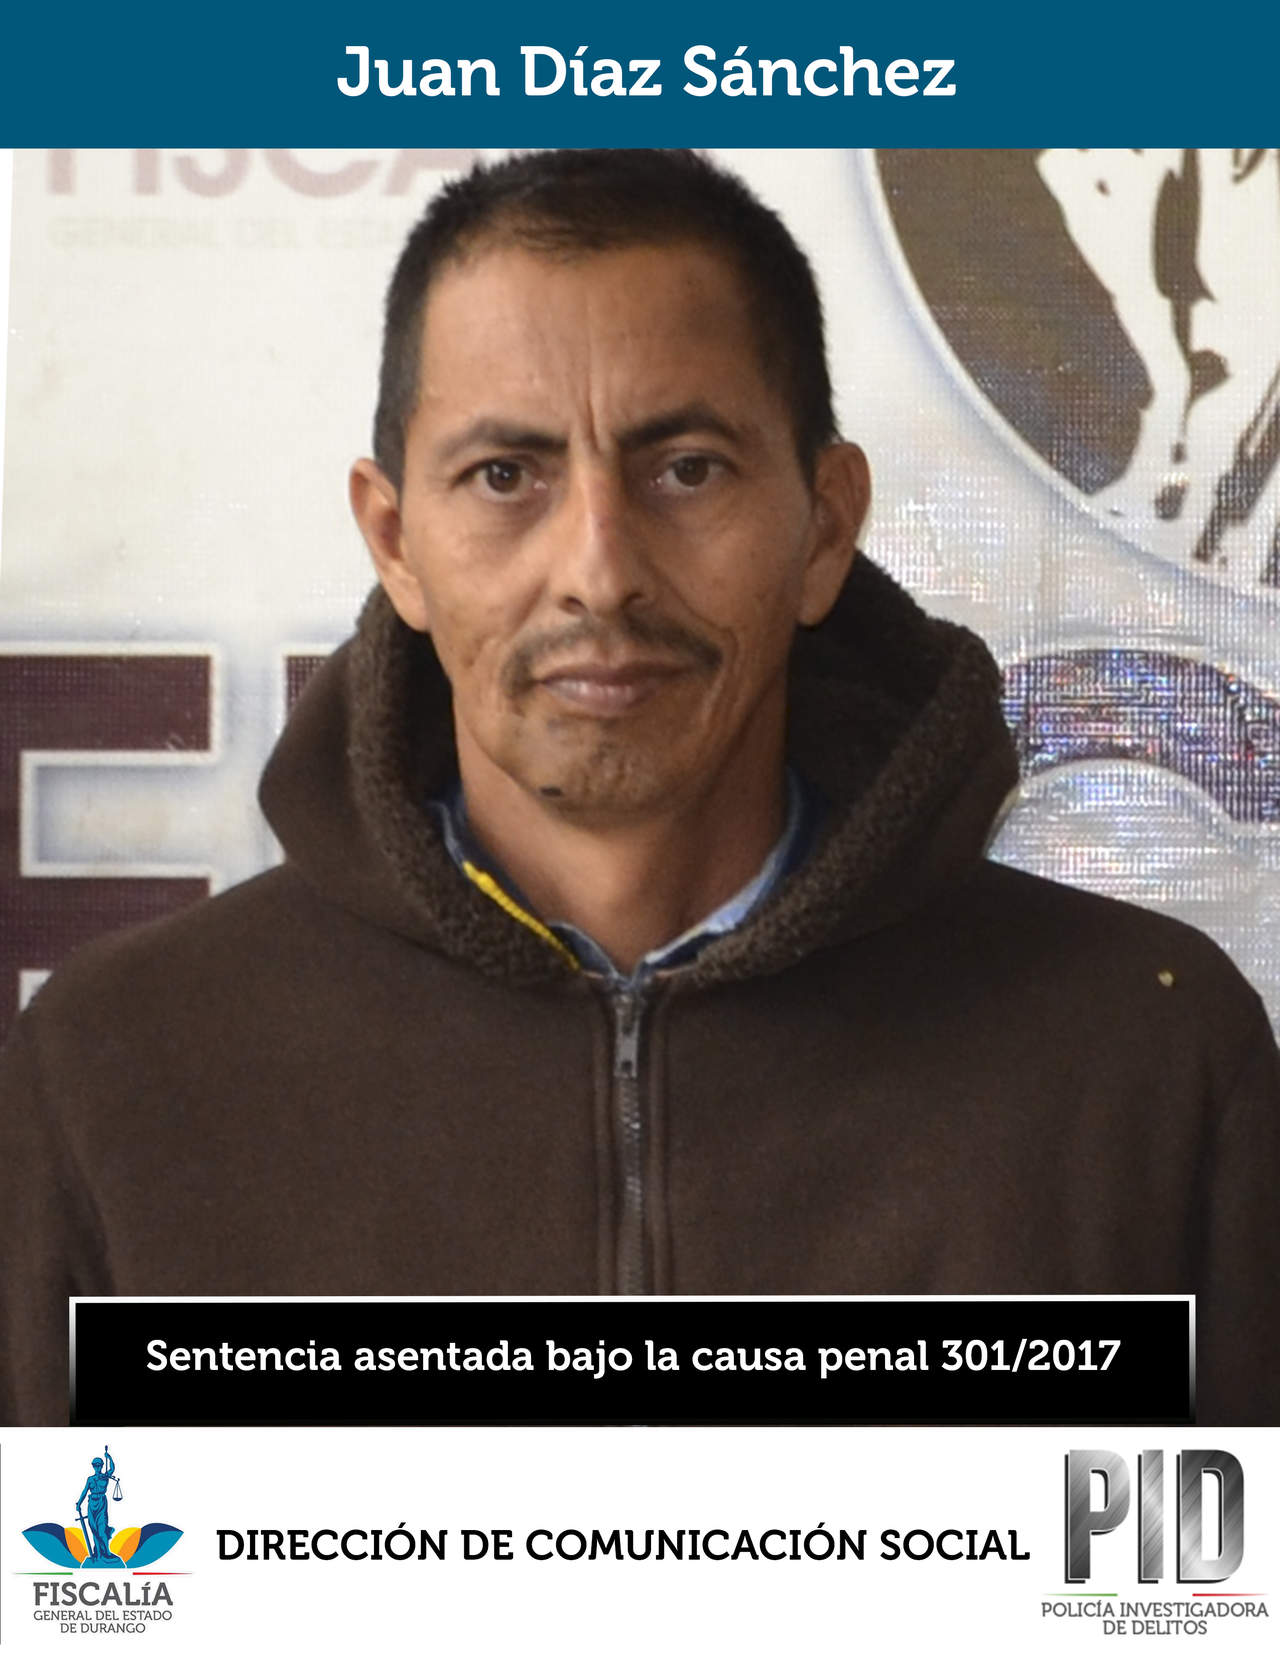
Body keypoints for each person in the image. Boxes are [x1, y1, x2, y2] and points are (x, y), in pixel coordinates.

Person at [1, 150, 1276, 1426]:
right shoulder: (122, 1069)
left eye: (686, 469)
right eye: (506, 476)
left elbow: (1195, 1559)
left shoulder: (1142, 1061)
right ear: (395, 542)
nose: (599, 571)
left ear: (825, 526)